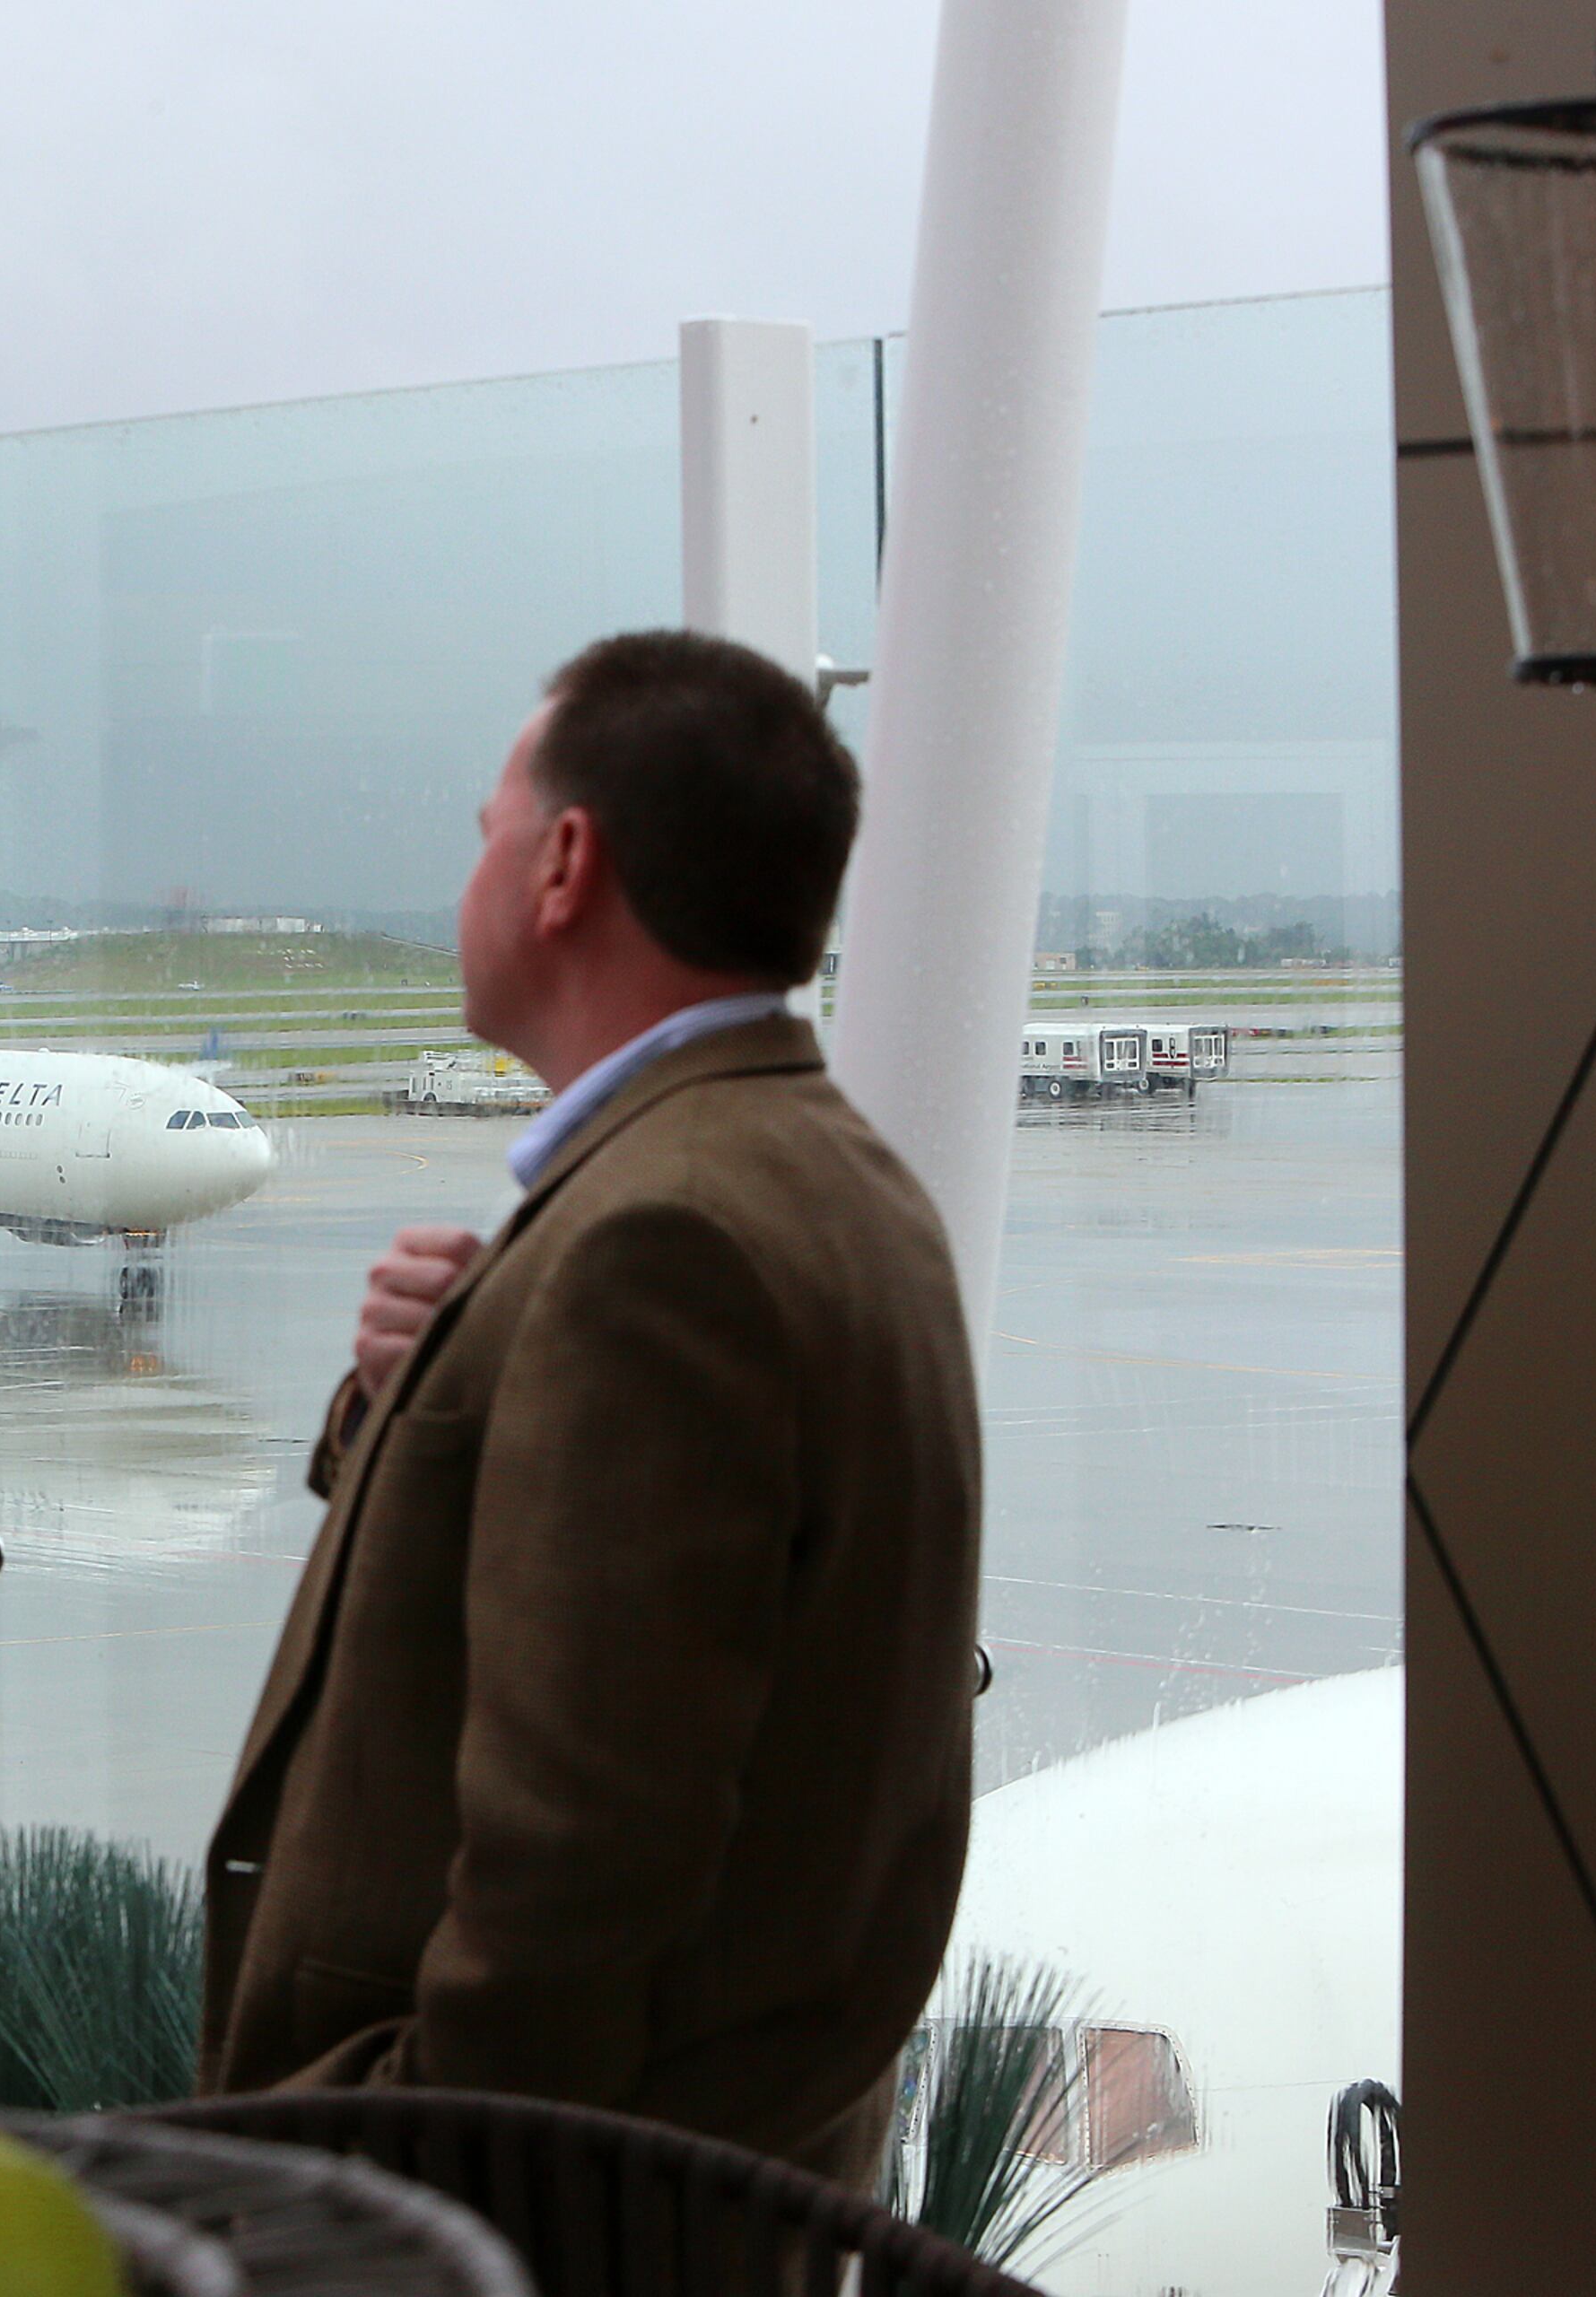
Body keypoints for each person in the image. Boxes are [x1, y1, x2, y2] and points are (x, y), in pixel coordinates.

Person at [197, 630, 981, 2187]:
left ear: (564, 865)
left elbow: (581, 1862)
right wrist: (426, 1384)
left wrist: (404, 2165)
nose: (470, 870)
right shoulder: (807, 1175)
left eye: (488, 829)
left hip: (530, 2210)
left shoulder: (660, 1242)